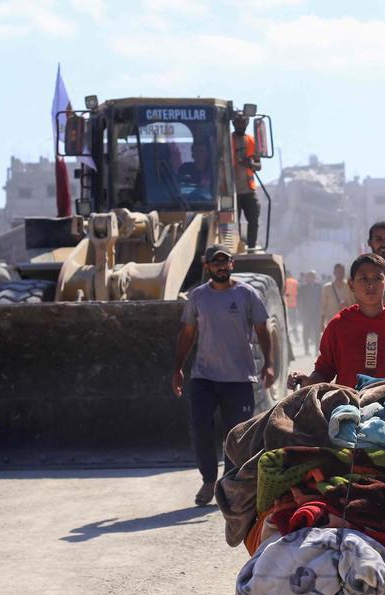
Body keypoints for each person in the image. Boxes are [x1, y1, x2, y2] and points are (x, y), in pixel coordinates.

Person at [172, 245, 276, 506]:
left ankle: (229, 484)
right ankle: (209, 481)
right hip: (204, 377)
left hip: (239, 378)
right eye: (215, 262)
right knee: (201, 429)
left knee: (236, 436)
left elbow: (263, 329)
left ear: (232, 265)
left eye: (225, 262)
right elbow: (187, 334)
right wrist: (178, 368)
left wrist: (269, 363)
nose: (220, 266)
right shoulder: (198, 297)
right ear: (207, 266)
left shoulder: (246, 294)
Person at [287, 253, 385, 397]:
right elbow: (324, 370)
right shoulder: (338, 326)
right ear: (351, 284)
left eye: (378, 278)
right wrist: (308, 381)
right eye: (363, 279)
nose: (371, 285)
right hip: (349, 408)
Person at [231, 114, 262, 248]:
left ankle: (251, 246)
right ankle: (234, 246)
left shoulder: (251, 141)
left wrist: (249, 164)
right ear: (233, 123)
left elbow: (258, 165)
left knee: (254, 217)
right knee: (232, 221)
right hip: (231, 190)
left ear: (247, 123)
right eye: (237, 122)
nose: (240, 125)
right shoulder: (226, 140)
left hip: (248, 189)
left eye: (243, 122)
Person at [320, 263, 354, 332]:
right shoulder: (327, 288)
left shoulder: (350, 287)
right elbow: (323, 306)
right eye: (338, 272)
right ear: (334, 273)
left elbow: (355, 303)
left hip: (347, 322)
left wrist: (347, 304)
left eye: (342, 272)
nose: (340, 274)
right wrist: (321, 323)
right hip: (332, 322)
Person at [298, 271, 320, 355]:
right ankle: (306, 350)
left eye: (312, 276)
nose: (311, 278)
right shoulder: (303, 287)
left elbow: (321, 298)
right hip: (306, 312)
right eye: (309, 276)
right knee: (306, 331)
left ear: (315, 277)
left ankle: (316, 350)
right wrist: (300, 313)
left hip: (316, 313)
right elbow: (300, 301)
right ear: (307, 278)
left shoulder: (319, 286)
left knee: (317, 331)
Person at [284, 272, 300, 344]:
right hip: (294, 305)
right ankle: (296, 337)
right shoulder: (295, 282)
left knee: (287, 323)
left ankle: (288, 339)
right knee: (294, 323)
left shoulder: (285, 282)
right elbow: (298, 293)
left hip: (286, 305)